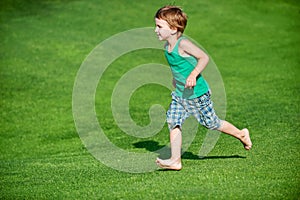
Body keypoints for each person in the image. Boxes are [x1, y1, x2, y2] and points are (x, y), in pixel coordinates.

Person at [154, 5, 252, 170]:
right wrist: (176, 80)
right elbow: (179, 68)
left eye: (159, 26)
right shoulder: (167, 48)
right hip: (180, 94)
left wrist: (193, 75)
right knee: (173, 121)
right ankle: (175, 160)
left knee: (211, 123)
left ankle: (241, 134)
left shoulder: (183, 43)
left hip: (197, 94)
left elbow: (203, 58)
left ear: (172, 29)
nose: (155, 30)